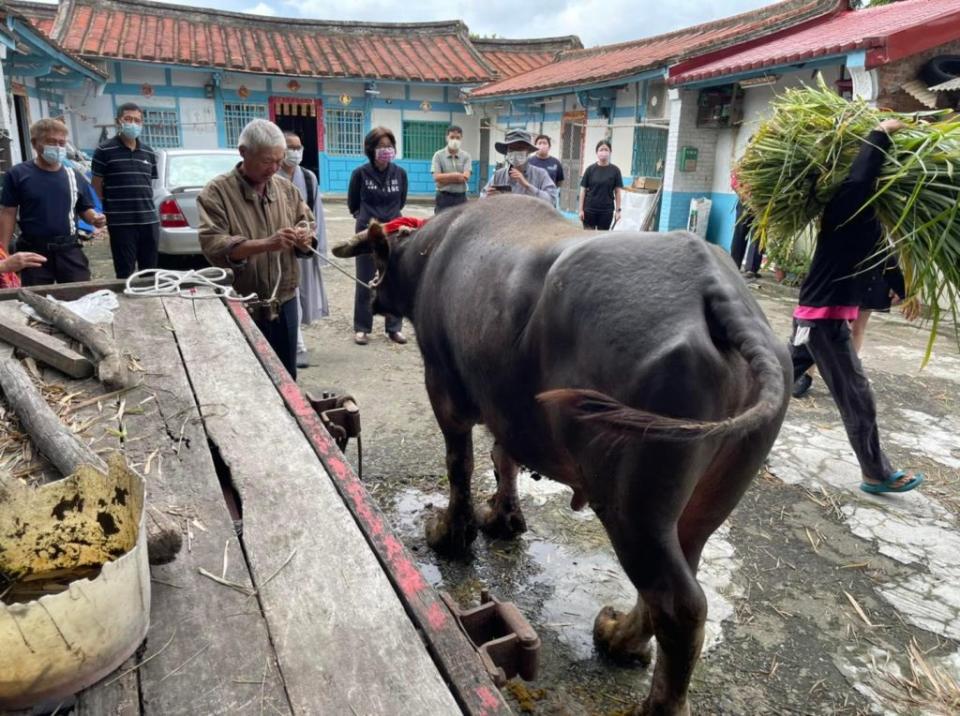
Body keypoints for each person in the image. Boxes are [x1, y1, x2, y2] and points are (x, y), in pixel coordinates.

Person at [788, 119, 923, 495]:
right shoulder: (846, 203)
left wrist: (906, 291)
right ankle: (876, 473)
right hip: (824, 320)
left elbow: (886, 258)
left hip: (816, 316)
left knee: (774, 379)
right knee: (857, 396)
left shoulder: (871, 220)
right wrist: (879, 133)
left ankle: (726, 429)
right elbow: (860, 180)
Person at [197, 119, 315, 379]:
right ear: (243, 152)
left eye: (278, 160)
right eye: (266, 161)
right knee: (250, 377)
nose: (273, 168)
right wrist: (265, 244)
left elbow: (305, 221)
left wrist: (305, 238)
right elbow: (213, 243)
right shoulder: (217, 192)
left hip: (284, 301)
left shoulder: (286, 190)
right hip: (242, 302)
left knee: (286, 376)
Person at [0, 118, 106, 285]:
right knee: (37, 302)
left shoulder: (73, 175)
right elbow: (8, 213)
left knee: (79, 296)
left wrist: (94, 218)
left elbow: (85, 209)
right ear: (35, 144)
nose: (57, 147)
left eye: (61, 143)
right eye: (51, 142)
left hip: (69, 249)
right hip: (34, 252)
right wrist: (4, 251)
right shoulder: (18, 175)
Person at [347, 126, 408, 346]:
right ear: (370, 149)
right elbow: (353, 204)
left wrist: (390, 221)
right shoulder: (360, 174)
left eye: (389, 146)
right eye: (381, 147)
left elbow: (401, 201)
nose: (386, 151)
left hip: (394, 233)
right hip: (367, 233)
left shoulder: (400, 173)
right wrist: (368, 220)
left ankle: (394, 328)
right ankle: (362, 328)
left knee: (393, 279)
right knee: (365, 280)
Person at [91, 103, 160, 279]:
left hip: (148, 220)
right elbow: (96, 184)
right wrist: (108, 208)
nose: (133, 123)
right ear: (118, 121)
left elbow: (148, 184)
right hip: (121, 222)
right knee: (124, 272)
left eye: (137, 120)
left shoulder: (148, 152)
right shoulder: (104, 150)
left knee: (150, 272)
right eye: (128, 119)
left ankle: (150, 303)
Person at [280, 131, 329, 369]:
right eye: (290, 147)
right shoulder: (271, 176)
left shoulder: (308, 178)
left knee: (301, 294)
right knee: (287, 294)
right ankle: (297, 344)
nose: (295, 152)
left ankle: (295, 340)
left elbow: (316, 214)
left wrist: (316, 242)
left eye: (298, 147)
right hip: (278, 246)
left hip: (303, 244)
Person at [481, 129, 557, 205]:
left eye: (520, 148)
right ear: (507, 151)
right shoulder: (498, 175)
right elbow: (481, 198)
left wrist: (527, 186)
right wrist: (488, 197)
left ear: (528, 151)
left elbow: (552, 200)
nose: (516, 151)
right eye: (512, 148)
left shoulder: (540, 174)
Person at [579, 140, 623, 230]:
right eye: (601, 149)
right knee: (588, 237)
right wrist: (580, 210)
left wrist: (618, 211)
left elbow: (617, 192)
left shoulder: (615, 171)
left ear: (610, 152)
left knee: (601, 239)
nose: (603, 152)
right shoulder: (590, 170)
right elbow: (583, 190)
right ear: (597, 152)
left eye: (606, 150)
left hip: (606, 211)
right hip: (589, 210)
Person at [431, 125, 471, 214]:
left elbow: (466, 177)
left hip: (461, 198)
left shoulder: (466, 156)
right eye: (452, 137)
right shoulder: (438, 155)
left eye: (458, 138)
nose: (455, 140)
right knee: (441, 225)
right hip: (443, 197)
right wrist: (456, 176)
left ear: (461, 139)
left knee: (461, 225)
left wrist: (444, 180)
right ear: (447, 138)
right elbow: (436, 177)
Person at [527, 134, 564, 206]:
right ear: (535, 146)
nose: (542, 145)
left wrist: (550, 189)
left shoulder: (555, 162)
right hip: (532, 200)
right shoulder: (529, 161)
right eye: (539, 143)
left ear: (549, 147)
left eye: (544, 143)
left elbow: (559, 182)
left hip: (549, 200)